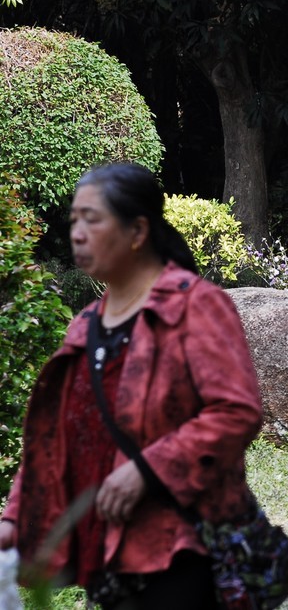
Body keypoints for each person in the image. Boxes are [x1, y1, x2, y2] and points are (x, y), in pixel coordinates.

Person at [0, 162, 264, 609]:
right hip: (108, 553)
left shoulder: (196, 307)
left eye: (93, 219)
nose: (78, 233)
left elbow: (236, 411)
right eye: (74, 220)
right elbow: (55, 436)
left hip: (183, 549)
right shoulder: (85, 326)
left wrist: (147, 470)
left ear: (138, 230)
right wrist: (14, 518)